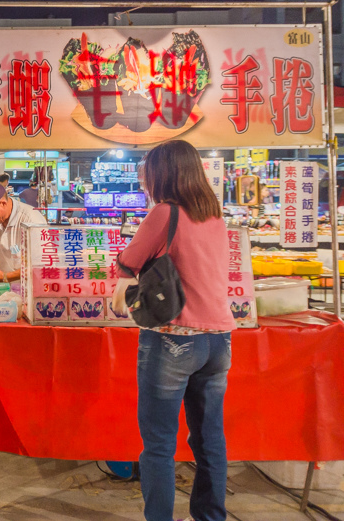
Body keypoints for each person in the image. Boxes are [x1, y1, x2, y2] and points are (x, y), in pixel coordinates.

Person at [114, 140, 233, 521]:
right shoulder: (214, 215)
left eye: (147, 169)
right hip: (219, 342)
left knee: (160, 445)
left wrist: (120, 293)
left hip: (174, 340)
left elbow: (128, 263)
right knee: (209, 440)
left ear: (161, 173)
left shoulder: (164, 213)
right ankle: (210, 517)